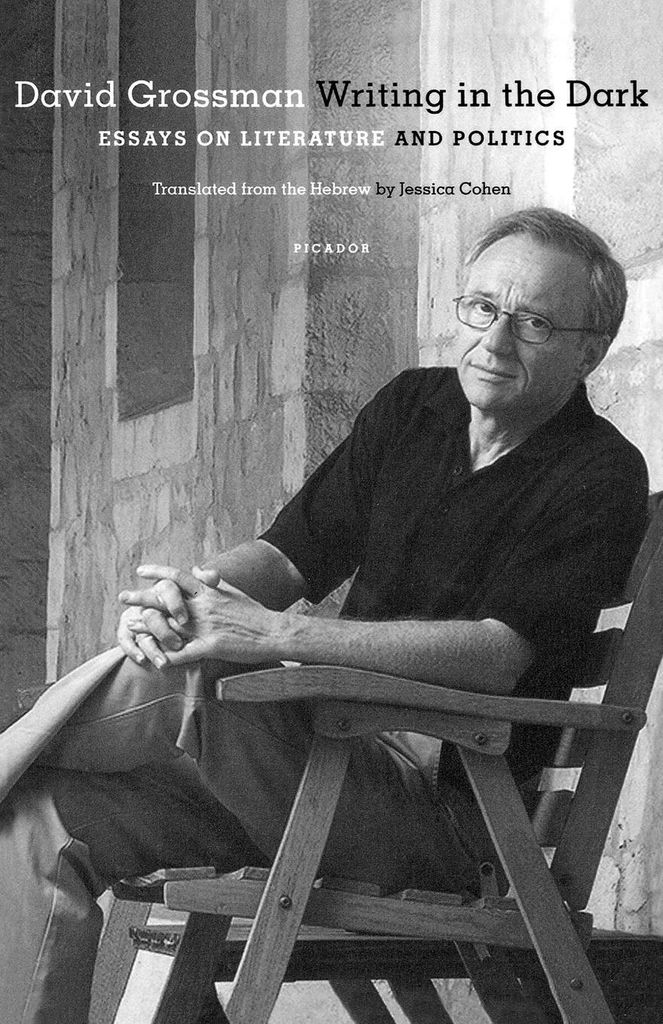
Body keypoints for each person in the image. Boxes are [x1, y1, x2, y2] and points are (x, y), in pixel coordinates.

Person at [0, 207, 649, 1023]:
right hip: (312, 775)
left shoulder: (599, 474)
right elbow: (284, 559)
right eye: (482, 307)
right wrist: (189, 599)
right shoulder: (415, 407)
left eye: (534, 323)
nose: (494, 339)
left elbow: (495, 654)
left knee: (203, 670)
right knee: (40, 817)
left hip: (449, 812)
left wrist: (272, 635)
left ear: (590, 350)